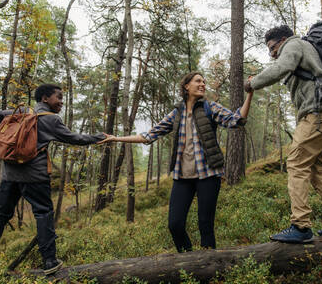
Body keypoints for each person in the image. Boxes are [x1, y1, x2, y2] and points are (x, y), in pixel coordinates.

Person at [0, 84, 108, 274]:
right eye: (58, 97)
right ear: (44, 98)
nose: (61, 101)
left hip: (10, 176)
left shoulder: (18, 113)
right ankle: (50, 261)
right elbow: (74, 138)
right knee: (43, 213)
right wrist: (100, 137)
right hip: (35, 177)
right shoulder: (51, 120)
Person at [99, 72, 253, 252]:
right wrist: (117, 138)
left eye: (204, 81)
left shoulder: (210, 108)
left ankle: (208, 269)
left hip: (208, 174)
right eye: (198, 81)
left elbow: (237, 120)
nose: (202, 84)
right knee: (175, 224)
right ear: (186, 86)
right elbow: (148, 136)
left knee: (205, 224)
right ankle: (188, 259)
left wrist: (249, 93)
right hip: (182, 176)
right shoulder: (176, 114)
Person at [244, 25, 322, 243]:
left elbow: (282, 67)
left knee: (296, 163)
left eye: (272, 47)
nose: (272, 54)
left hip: (320, 114)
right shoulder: (303, 48)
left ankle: (300, 226)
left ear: (283, 40)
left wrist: (253, 83)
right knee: (316, 167)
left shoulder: (294, 44)